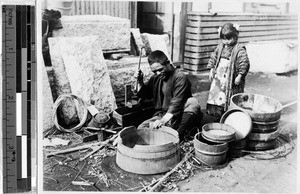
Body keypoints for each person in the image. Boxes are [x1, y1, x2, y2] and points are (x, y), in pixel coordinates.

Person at [134, 50, 203, 141]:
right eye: (154, 71)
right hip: (163, 114)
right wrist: (140, 81)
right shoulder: (155, 77)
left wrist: (163, 121)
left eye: (160, 69)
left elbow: (177, 102)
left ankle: (179, 134)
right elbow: (146, 95)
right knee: (141, 129)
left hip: (180, 113)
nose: (158, 73)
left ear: (167, 63)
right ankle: (170, 130)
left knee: (192, 103)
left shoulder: (180, 77)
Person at [206, 22, 250, 117]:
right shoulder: (220, 47)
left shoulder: (239, 49)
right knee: (217, 94)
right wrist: (212, 69)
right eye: (223, 39)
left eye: (229, 39)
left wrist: (240, 75)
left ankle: (229, 114)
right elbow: (214, 57)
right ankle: (217, 113)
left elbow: (244, 62)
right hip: (219, 76)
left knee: (229, 95)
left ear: (235, 36)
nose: (226, 42)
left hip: (231, 76)